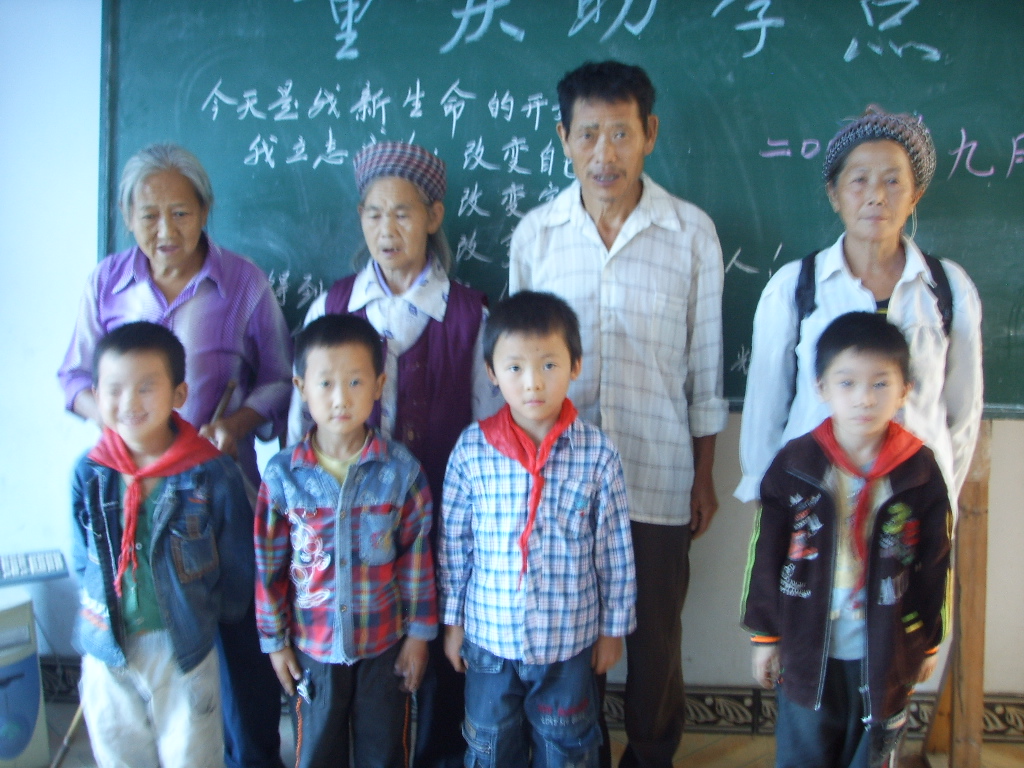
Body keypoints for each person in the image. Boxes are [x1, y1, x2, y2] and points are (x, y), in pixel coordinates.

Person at [508, 60, 727, 768]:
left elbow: (705, 369)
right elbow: (514, 367)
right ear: (564, 139)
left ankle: (653, 755)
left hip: (657, 473)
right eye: (589, 134)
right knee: (576, 638)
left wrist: (703, 475)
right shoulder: (536, 236)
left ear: (650, 133)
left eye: (622, 134)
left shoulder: (690, 234)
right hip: (560, 482)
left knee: (655, 638)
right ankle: (585, 755)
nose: (605, 154)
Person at [59, 144, 291, 768]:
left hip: (218, 484)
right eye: (149, 214)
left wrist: (234, 426)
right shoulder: (105, 283)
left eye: (181, 212)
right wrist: (121, 423)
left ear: (205, 211)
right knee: (149, 654)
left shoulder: (242, 282)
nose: (166, 229)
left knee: (236, 641)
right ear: (127, 216)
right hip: (130, 487)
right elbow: (74, 378)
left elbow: (280, 377)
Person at [287, 140, 501, 767]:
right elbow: (300, 429)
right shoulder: (332, 307)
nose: (388, 229)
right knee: (352, 666)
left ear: (433, 217)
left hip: (442, 523)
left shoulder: (470, 313)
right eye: (375, 214)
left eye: (403, 213)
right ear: (360, 218)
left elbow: (490, 427)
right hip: (344, 532)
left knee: (433, 656)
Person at [736, 106, 983, 508]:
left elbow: (962, 412)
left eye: (893, 181)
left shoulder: (948, 288)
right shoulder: (794, 287)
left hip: (913, 507)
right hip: (813, 506)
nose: (876, 196)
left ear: (915, 196)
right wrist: (772, 505)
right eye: (859, 180)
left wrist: (940, 499)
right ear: (834, 194)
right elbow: (764, 411)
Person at [741, 311, 952, 768]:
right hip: (806, 644)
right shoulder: (796, 464)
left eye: (880, 383)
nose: (864, 398)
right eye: (848, 383)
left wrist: (928, 639)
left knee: (873, 755)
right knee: (804, 753)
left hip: (886, 646)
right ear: (822, 388)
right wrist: (765, 635)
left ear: (905, 391)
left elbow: (936, 561)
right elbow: (766, 553)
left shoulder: (918, 471)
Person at [440, 291, 636, 767]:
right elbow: (455, 547)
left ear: (575, 366)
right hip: (488, 639)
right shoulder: (471, 450)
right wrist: (453, 623)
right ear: (491, 372)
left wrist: (613, 630)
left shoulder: (598, 454)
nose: (532, 382)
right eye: (515, 368)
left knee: (566, 747)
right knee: (490, 746)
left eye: (549, 365)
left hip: (568, 643)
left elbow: (614, 551)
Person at [255, 314, 437, 768]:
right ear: (301, 387)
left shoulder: (401, 472)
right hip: (312, 649)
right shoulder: (282, 478)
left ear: (379, 385)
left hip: (384, 646)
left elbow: (416, 561)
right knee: (317, 754)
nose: (341, 398)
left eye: (356, 382)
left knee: (385, 753)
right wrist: (275, 642)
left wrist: (418, 636)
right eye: (326, 384)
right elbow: (268, 568)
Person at [71, 321, 255, 768]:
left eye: (146, 388)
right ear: (95, 395)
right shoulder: (90, 472)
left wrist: (213, 616)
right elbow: (82, 558)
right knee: (119, 753)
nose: (130, 403)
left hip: (184, 647)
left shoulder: (211, 473)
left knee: (191, 753)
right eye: (114, 389)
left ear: (178, 394)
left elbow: (236, 562)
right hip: (107, 646)